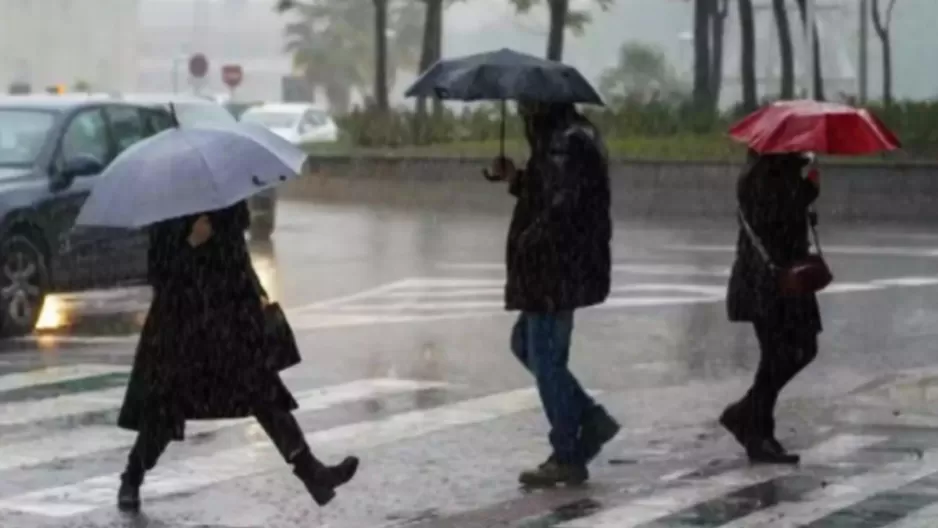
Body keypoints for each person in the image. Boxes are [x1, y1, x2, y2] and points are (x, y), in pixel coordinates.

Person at [115, 200, 358, 512]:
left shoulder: (224, 202)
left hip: (229, 323)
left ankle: (314, 475)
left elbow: (236, 257)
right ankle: (132, 478)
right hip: (180, 329)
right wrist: (191, 243)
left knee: (266, 396)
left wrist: (256, 290)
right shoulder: (167, 211)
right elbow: (160, 277)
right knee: (164, 408)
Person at [489, 101, 620, 487]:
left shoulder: (565, 143)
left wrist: (531, 239)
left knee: (545, 358)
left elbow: (561, 206)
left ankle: (567, 452)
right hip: (558, 269)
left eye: (523, 106)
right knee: (526, 345)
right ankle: (589, 418)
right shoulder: (565, 138)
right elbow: (550, 192)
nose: (520, 112)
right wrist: (516, 178)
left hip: (553, 269)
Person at [721, 150, 822, 464]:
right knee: (782, 353)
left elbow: (783, 218)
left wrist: (803, 197)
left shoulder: (778, 171)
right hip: (768, 280)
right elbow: (772, 219)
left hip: (785, 278)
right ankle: (755, 427)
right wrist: (805, 194)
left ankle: (751, 419)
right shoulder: (761, 175)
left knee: (799, 349)